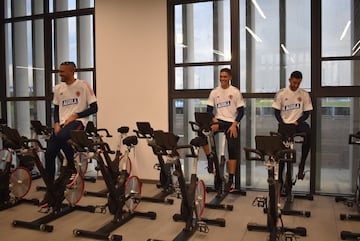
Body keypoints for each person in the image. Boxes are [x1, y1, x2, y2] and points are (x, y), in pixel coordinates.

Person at [40, 61, 98, 206]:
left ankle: (71, 164)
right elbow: (56, 108)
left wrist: (77, 115)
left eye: (62, 72)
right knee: (49, 153)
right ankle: (50, 189)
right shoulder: (58, 87)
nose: (60, 74)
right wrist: (56, 123)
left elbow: (94, 108)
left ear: (71, 72)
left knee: (62, 137)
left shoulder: (83, 86)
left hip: (78, 122)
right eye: (59, 71)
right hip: (62, 124)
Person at [204, 68, 244, 192]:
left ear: (230, 78)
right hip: (219, 121)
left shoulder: (235, 92)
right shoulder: (215, 92)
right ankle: (210, 159)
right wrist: (213, 119)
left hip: (231, 123)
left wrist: (234, 125)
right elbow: (209, 110)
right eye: (221, 76)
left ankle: (230, 179)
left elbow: (241, 111)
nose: (222, 79)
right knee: (202, 132)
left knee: (232, 148)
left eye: (225, 77)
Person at [272, 70, 313, 180]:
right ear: (290, 80)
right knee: (281, 152)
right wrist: (282, 123)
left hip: (297, 123)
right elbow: (276, 112)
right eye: (294, 82)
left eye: (298, 83)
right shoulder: (281, 93)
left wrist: (297, 121)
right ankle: (280, 178)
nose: (295, 85)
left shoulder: (304, 94)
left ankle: (301, 166)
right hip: (284, 123)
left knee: (309, 134)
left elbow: (306, 113)